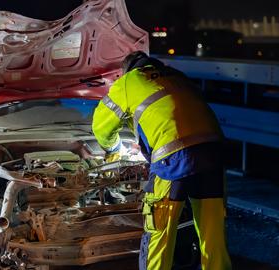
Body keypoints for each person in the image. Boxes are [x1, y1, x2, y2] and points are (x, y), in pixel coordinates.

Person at [92, 51, 232, 270]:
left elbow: (101, 126)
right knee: (213, 234)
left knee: (159, 231)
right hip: (212, 151)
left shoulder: (128, 81)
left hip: (173, 158)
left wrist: (115, 149)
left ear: (127, 70)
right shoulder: (176, 75)